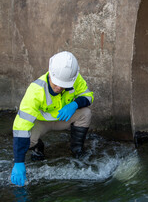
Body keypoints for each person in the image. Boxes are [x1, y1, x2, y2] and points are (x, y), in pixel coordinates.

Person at [10, 51, 94, 186]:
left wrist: (75, 104)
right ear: (50, 73)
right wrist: (18, 162)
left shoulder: (75, 78)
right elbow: (21, 126)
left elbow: (89, 96)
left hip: (63, 117)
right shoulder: (35, 90)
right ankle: (38, 148)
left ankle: (77, 149)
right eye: (56, 83)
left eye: (63, 85)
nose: (59, 87)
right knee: (27, 142)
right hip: (41, 122)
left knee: (86, 113)